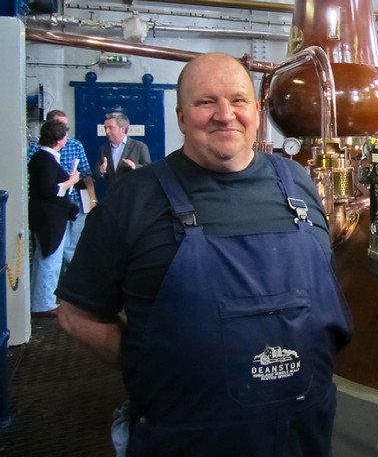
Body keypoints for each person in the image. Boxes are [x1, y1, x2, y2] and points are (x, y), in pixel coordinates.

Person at [57, 52, 352, 457]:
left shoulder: (298, 184)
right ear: (181, 117)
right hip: (185, 439)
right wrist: (147, 365)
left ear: (257, 110)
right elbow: (76, 315)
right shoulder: (135, 198)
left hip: (301, 436)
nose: (224, 114)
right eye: (205, 102)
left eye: (238, 100)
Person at [28, 109, 97, 276]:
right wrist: (69, 181)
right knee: (56, 250)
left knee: (73, 246)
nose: (66, 130)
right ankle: (56, 293)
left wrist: (92, 201)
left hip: (74, 203)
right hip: (51, 208)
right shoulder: (38, 153)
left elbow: (86, 175)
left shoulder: (75, 145)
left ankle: (71, 284)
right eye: (62, 126)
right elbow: (43, 186)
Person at [28, 119, 80, 316]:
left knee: (44, 258)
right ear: (59, 140)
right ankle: (45, 303)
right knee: (49, 259)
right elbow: (50, 190)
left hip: (45, 215)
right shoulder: (47, 160)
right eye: (65, 136)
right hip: (49, 217)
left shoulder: (42, 158)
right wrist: (71, 181)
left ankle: (39, 301)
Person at [95, 112, 151, 185]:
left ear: (122, 129)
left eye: (110, 127)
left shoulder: (139, 146)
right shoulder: (103, 149)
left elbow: (149, 171)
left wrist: (135, 166)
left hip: (133, 194)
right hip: (112, 194)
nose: (107, 131)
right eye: (105, 128)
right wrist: (101, 171)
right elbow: (96, 175)